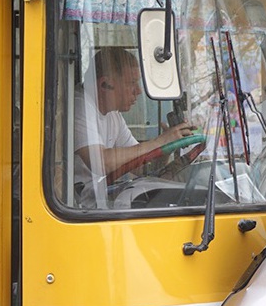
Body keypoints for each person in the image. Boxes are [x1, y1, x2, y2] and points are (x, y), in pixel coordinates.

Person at [72, 47, 195, 207]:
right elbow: (101, 162)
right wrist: (159, 141)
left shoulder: (113, 114)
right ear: (104, 84)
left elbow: (141, 167)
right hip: (80, 210)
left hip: (103, 202)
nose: (138, 91)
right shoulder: (80, 105)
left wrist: (167, 148)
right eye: (131, 83)